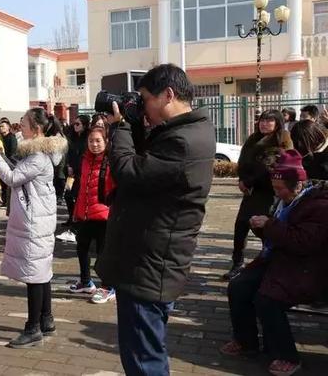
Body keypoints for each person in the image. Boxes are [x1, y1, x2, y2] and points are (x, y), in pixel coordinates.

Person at [98, 64, 215, 375]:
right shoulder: (187, 130)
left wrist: (121, 125)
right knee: (149, 353)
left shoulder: (183, 141)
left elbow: (129, 171)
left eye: (145, 98)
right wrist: (134, 123)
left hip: (148, 267)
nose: (143, 105)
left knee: (143, 361)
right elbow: (147, 165)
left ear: (168, 95)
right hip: (153, 259)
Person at [220, 150, 328, 376]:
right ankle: (247, 342)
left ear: (297, 186)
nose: (277, 193)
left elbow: (303, 242)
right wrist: (261, 227)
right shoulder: (283, 201)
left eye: (280, 189)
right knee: (239, 287)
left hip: (305, 267)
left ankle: (287, 355)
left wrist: (269, 226)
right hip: (277, 261)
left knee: (266, 299)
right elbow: (277, 236)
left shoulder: (318, 206)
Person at [0, 108, 67, 348]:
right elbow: (19, 171)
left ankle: (32, 328)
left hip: (34, 221)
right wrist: (1, 154)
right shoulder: (42, 153)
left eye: (23, 124)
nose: (19, 127)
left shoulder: (38, 157)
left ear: (37, 129)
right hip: (38, 219)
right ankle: (46, 319)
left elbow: (12, 178)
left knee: (35, 274)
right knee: (42, 271)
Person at [223, 110, 293, 280]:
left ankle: (268, 264)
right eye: (262, 120)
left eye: (269, 120)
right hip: (250, 191)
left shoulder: (282, 140)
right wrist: (242, 179)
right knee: (240, 227)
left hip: (269, 192)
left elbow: (270, 167)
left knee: (264, 229)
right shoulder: (253, 139)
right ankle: (237, 264)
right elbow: (242, 161)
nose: (264, 123)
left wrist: (248, 182)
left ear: (277, 123)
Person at [68, 126, 116, 304]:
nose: (94, 144)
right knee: (82, 248)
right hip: (86, 213)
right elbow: (83, 189)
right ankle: (86, 281)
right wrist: (77, 211)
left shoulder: (111, 160)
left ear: (106, 142)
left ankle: (108, 286)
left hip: (104, 215)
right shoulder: (85, 159)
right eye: (91, 141)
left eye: (98, 141)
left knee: (103, 253)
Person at [63, 115, 90, 226]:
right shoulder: (72, 137)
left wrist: (77, 167)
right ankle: (71, 217)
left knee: (79, 196)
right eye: (74, 124)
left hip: (81, 172)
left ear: (84, 125)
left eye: (78, 124)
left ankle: (79, 220)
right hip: (71, 173)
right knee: (68, 195)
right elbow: (68, 153)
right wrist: (69, 165)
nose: (75, 126)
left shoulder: (88, 138)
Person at [0, 119, 18, 210]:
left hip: (9, 163)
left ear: (8, 127)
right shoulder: (0, 138)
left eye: (3, 126)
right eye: (0, 126)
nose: (1, 128)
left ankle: (8, 202)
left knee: (7, 184)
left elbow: (12, 153)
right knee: (3, 184)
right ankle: (4, 201)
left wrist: (8, 162)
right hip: (2, 162)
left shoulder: (12, 138)